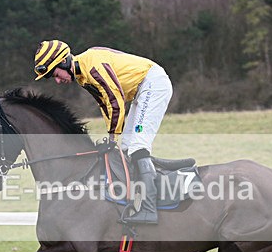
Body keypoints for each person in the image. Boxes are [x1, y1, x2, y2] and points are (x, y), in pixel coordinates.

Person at [34, 40, 172, 225]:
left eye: (55, 74)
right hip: (142, 90)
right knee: (126, 148)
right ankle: (136, 199)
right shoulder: (83, 75)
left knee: (138, 146)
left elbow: (115, 100)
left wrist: (113, 135)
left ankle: (149, 208)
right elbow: (105, 104)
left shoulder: (92, 67)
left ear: (64, 61)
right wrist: (113, 137)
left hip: (152, 85)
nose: (58, 81)